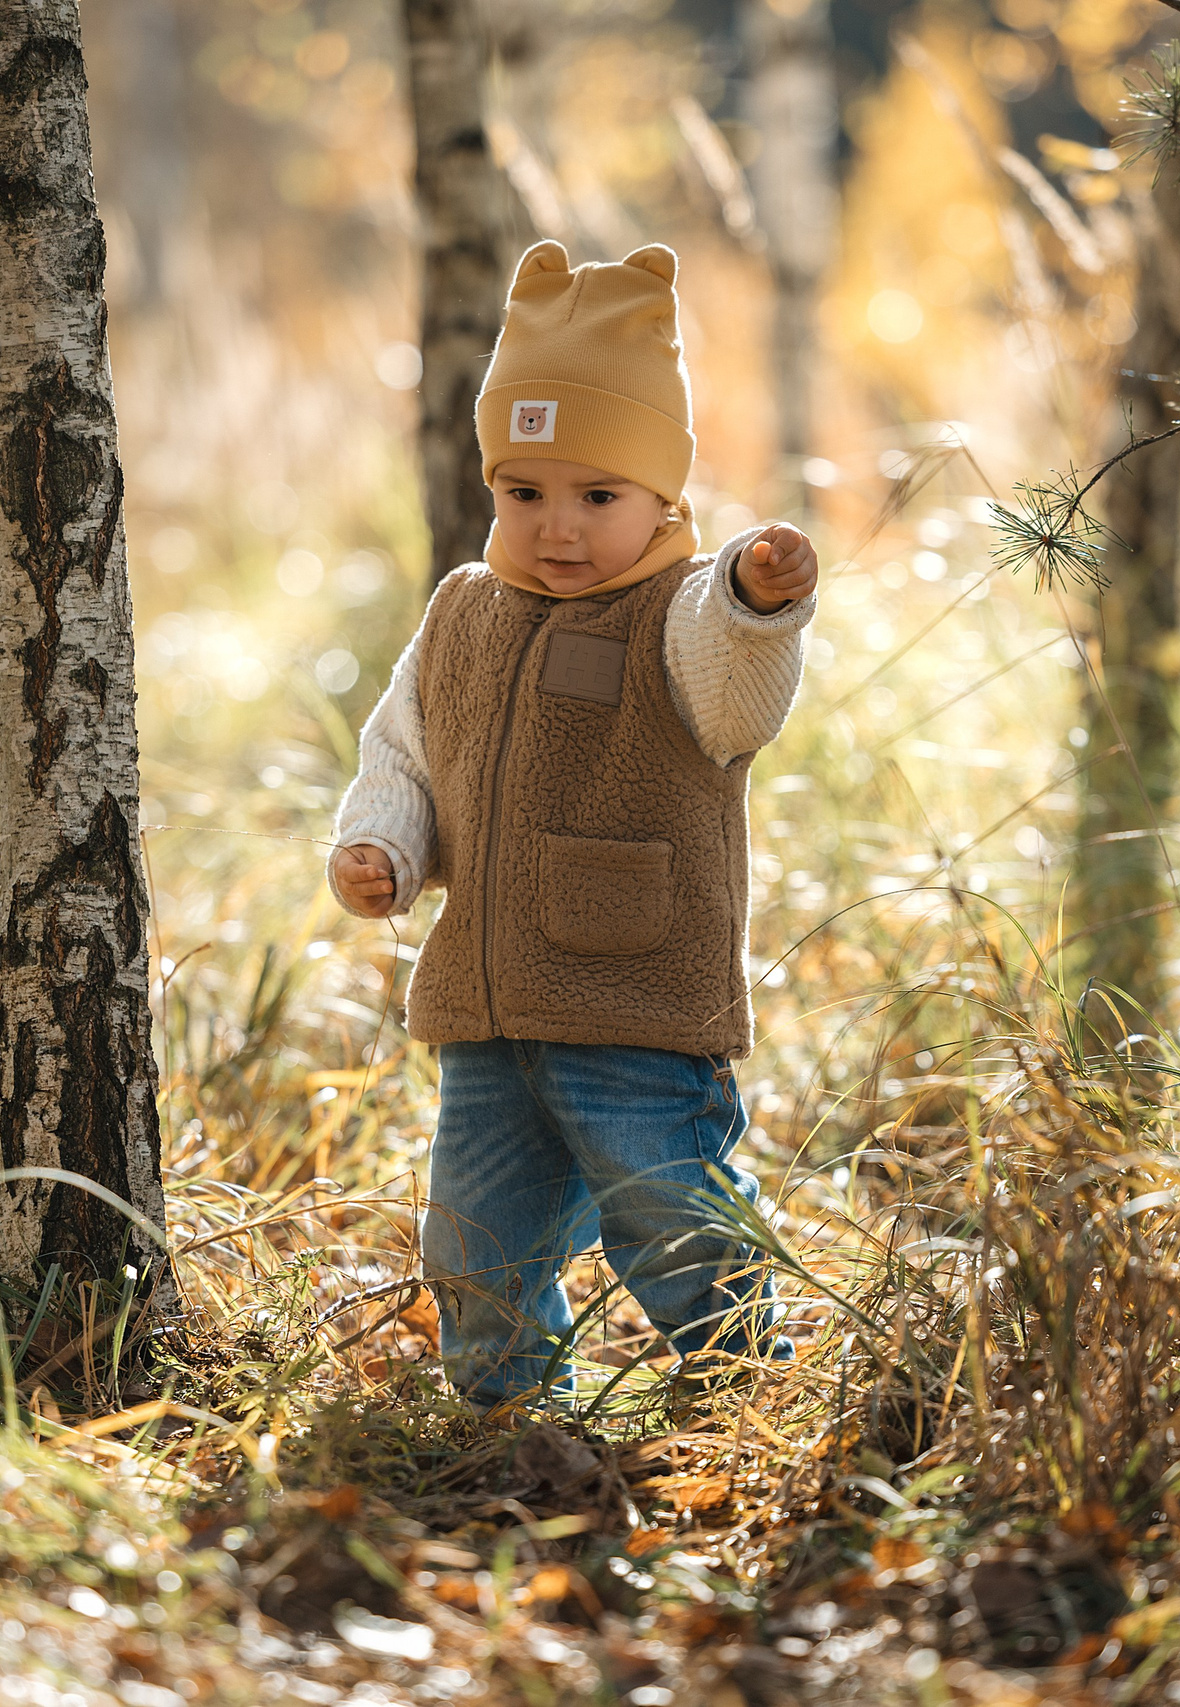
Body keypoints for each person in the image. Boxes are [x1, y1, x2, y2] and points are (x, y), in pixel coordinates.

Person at [328, 240, 821, 1410]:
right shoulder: (463, 611)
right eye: (525, 492)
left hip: (636, 1010)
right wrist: (385, 847)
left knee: (670, 1215)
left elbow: (735, 692)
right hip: (489, 1016)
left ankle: (752, 1391)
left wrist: (759, 603)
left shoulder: (680, 611)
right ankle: (506, 1418)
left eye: (599, 496)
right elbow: (405, 746)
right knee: (471, 1243)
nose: (559, 526)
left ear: (663, 495)